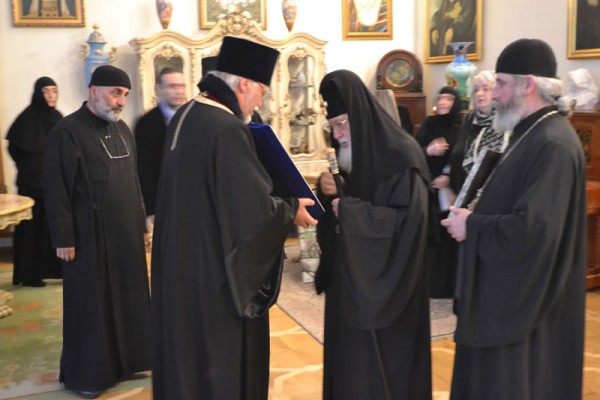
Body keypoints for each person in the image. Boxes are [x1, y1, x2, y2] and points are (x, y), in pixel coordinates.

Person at [151, 36, 318, 400]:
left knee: (187, 357)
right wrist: (293, 210)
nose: (262, 100)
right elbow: (253, 215)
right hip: (212, 278)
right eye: (261, 90)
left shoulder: (187, 115)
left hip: (182, 266)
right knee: (217, 363)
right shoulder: (225, 128)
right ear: (243, 84)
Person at [441, 38, 587, 400]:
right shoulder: (531, 132)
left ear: (529, 84)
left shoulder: (553, 143)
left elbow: (535, 230)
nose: (496, 95)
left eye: (502, 84)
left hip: (528, 306)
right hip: (506, 293)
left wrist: (470, 225)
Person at [315, 69, 432, 399]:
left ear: (361, 116)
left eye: (342, 124)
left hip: (391, 297)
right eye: (332, 126)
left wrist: (350, 213)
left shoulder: (404, 157)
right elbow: (346, 203)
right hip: (350, 288)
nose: (337, 135)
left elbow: (411, 226)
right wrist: (329, 192)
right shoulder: (352, 155)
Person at [43, 65, 151, 399]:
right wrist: (64, 238)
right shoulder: (68, 130)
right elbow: (56, 188)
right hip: (87, 236)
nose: (121, 102)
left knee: (128, 297)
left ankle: (131, 360)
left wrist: (142, 223)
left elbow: (133, 181)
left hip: (125, 234)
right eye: (115, 93)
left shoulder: (123, 131)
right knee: (91, 306)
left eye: (125, 96)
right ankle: (88, 375)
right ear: (94, 91)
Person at [6, 77, 62, 287]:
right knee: (31, 231)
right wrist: (30, 167)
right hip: (30, 186)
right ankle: (30, 274)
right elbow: (14, 148)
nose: (50, 95)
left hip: (52, 185)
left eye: (54, 91)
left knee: (52, 229)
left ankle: (55, 270)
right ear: (38, 92)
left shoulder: (57, 117)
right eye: (46, 91)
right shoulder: (26, 119)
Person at [416, 86, 461, 298]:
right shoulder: (429, 124)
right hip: (428, 189)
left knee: (449, 236)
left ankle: (448, 286)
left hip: (451, 190)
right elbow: (413, 154)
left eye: (449, 99)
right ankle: (429, 284)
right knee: (430, 235)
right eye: (440, 97)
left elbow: (466, 159)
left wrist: (450, 179)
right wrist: (428, 150)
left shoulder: (462, 127)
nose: (443, 102)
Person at [134, 67, 187, 230]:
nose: (178, 91)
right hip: (163, 200)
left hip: (191, 197)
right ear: (158, 89)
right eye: (172, 86)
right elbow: (145, 169)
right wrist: (151, 209)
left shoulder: (193, 117)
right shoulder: (147, 123)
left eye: (181, 86)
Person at [449, 70, 508, 196]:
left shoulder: (506, 119)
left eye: (486, 89)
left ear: (496, 92)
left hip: (494, 194)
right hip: (465, 192)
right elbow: (458, 155)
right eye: (476, 89)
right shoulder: (469, 119)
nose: (480, 94)